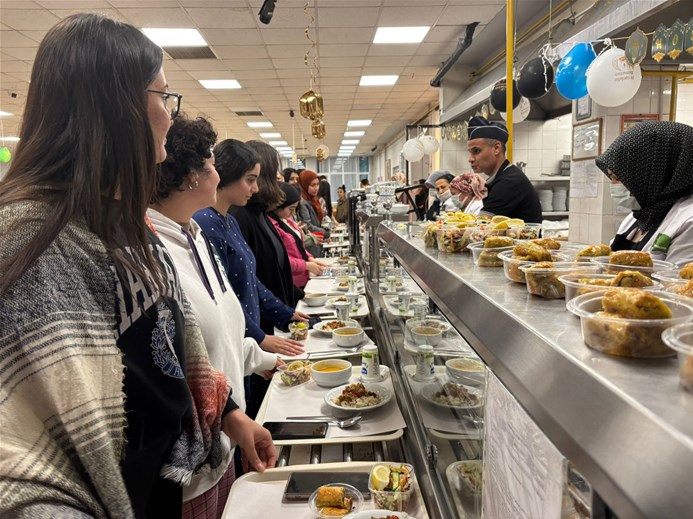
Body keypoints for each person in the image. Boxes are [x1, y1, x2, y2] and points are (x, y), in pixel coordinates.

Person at [0, 13, 275, 518]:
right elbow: (21, 460)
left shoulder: (123, 224)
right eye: (163, 97)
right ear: (114, 106)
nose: (170, 116)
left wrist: (231, 417)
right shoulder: (30, 239)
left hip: (162, 489)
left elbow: (170, 348)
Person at [148, 116, 282, 517]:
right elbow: (175, 363)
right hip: (190, 469)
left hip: (226, 438)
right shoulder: (148, 251)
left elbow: (221, 333)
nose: (217, 172)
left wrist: (266, 361)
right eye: (210, 163)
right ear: (191, 175)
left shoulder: (195, 234)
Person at [194, 139, 307, 356]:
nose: (255, 188)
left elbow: (251, 280)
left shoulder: (229, 221)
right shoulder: (207, 224)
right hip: (237, 341)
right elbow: (223, 296)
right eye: (250, 180)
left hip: (250, 336)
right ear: (228, 176)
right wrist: (259, 337)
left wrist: (284, 313)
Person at [595, 121, 693, 265]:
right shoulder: (639, 216)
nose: (614, 185)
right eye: (612, 178)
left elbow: (678, 278)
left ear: (655, 172)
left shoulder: (688, 221)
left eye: (618, 178)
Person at [467, 116, 542, 223]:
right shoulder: (503, 177)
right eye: (470, 152)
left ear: (496, 148)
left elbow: (481, 226)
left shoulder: (509, 182)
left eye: (476, 151)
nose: (470, 159)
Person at [270, 183, 330, 288]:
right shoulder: (273, 227)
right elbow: (281, 259)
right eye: (291, 209)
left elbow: (299, 247)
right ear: (279, 206)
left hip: (303, 278)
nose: (293, 213)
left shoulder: (287, 220)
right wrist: (306, 265)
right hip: (292, 282)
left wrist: (310, 258)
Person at [298, 169, 331, 257]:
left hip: (316, 242)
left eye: (317, 184)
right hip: (310, 246)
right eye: (312, 185)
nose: (316, 188)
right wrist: (324, 233)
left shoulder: (313, 200)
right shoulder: (303, 203)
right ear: (304, 185)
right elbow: (307, 225)